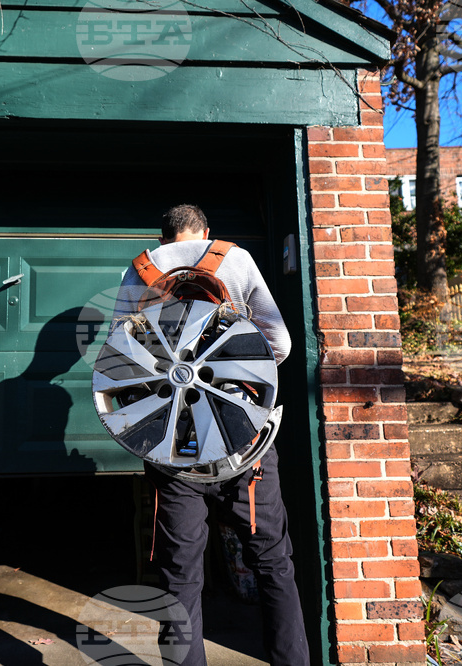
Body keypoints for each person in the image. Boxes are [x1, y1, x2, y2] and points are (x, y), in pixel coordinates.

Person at [113, 204, 309, 666]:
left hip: (172, 442)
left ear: (164, 239)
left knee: (180, 574)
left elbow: (119, 356)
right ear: (204, 231)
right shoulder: (234, 259)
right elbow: (279, 343)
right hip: (242, 439)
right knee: (272, 562)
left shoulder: (140, 267)